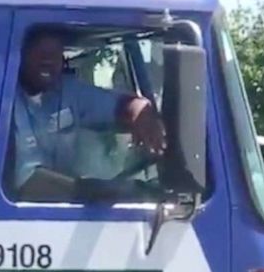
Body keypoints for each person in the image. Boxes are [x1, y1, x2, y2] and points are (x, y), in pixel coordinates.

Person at [11, 27, 166, 194]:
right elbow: (27, 181)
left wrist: (140, 111)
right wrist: (98, 192)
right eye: (39, 52)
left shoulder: (68, 91)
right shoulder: (6, 100)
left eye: (55, 53)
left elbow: (119, 105)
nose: (47, 60)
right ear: (19, 55)